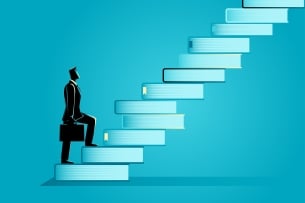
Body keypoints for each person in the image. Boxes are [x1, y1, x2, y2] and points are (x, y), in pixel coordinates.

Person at [61, 67, 97, 164]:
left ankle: (88, 143)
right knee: (67, 138)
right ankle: (64, 159)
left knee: (92, 120)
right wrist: (71, 117)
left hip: (76, 114)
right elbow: (70, 103)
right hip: (71, 115)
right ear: (73, 74)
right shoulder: (70, 86)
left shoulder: (74, 85)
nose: (78, 73)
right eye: (76, 72)